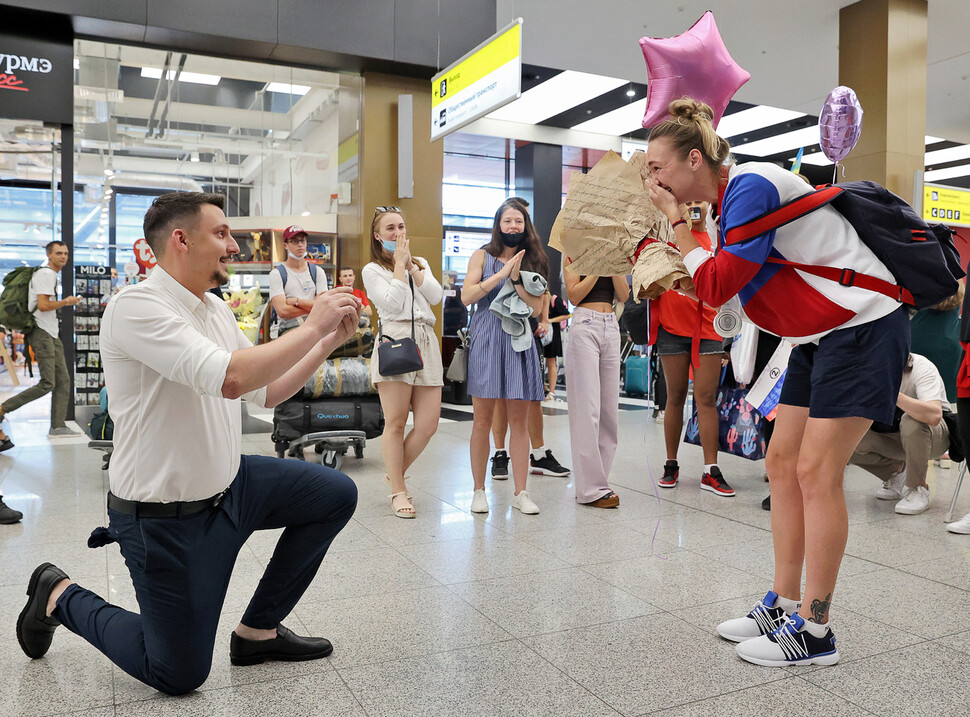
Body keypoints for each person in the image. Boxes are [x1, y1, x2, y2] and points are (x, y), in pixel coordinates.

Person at [15, 192, 361, 695]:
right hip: (164, 517)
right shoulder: (135, 307)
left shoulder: (215, 309)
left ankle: (259, 631)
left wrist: (325, 342)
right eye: (221, 233)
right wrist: (311, 325)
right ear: (181, 239)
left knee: (335, 494)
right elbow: (230, 379)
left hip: (231, 484)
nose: (234, 246)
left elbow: (266, 390)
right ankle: (59, 595)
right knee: (177, 673)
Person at [646, 98, 909, 667]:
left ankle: (816, 630)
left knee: (817, 471)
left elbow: (718, 283)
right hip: (817, 336)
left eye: (658, 167)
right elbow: (730, 291)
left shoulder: (752, 187)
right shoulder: (720, 209)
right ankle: (784, 602)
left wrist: (677, 228)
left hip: (865, 325)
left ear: (695, 159)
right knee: (782, 463)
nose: (654, 180)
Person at [462, 197, 547, 515]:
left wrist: (516, 278)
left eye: (519, 221)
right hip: (486, 340)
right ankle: (478, 490)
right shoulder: (481, 256)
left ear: (526, 226)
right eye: (507, 221)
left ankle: (521, 492)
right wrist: (500, 275)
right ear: (498, 225)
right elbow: (467, 296)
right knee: (481, 421)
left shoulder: (535, 259)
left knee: (519, 423)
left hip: (519, 344)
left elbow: (537, 310)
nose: (513, 226)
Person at [362, 206, 443, 518]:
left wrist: (411, 267)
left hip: (426, 341)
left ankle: (394, 472)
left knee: (427, 424)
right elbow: (392, 303)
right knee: (395, 422)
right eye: (390, 229)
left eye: (401, 226)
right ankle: (399, 490)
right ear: (378, 236)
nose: (398, 233)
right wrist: (397, 266)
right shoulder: (372, 270)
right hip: (395, 341)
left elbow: (435, 296)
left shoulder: (419, 263)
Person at [653, 200, 733, 497]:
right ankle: (671, 462)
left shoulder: (718, 240)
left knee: (706, 399)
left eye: (698, 201)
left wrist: (729, 339)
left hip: (709, 331)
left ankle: (710, 469)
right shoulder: (668, 239)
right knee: (674, 397)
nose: (694, 206)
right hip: (671, 330)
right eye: (687, 203)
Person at [0, 240, 81, 446]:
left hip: (50, 333)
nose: (63, 256)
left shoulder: (50, 275)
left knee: (63, 381)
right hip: (42, 332)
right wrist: (67, 302)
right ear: (49, 255)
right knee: (48, 383)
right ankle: (2, 409)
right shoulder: (46, 274)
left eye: (66, 253)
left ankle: (57, 425)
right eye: (59, 253)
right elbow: (44, 305)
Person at [849, 353, 948, 515]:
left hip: (934, 435)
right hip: (893, 434)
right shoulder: (864, 370)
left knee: (912, 420)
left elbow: (934, 415)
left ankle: (918, 487)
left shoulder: (921, 366)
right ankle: (896, 471)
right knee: (844, 437)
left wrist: (891, 393)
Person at [563, 263, 629, 507]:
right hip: (585, 323)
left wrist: (612, 264)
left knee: (609, 412)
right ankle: (590, 489)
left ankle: (600, 482)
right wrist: (596, 268)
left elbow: (623, 295)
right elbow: (574, 295)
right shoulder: (574, 250)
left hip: (611, 325)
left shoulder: (613, 251)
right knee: (587, 410)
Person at [268, 225, 329, 337]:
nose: (300, 244)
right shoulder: (277, 274)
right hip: (286, 333)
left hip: (313, 331)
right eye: (295, 241)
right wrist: (313, 306)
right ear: (285, 245)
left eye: (302, 240)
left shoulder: (317, 272)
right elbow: (282, 311)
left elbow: (324, 306)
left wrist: (296, 301)